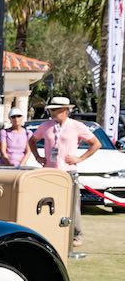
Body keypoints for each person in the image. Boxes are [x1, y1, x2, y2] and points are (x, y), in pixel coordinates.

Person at [28, 96, 100, 248]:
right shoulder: (45, 126)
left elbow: (95, 143)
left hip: (68, 173)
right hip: (49, 172)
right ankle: (48, 232)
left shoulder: (77, 126)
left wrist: (79, 158)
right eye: (51, 109)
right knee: (47, 203)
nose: (52, 112)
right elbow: (32, 140)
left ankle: (76, 235)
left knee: (73, 205)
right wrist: (37, 157)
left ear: (65, 110)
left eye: (55, 109)